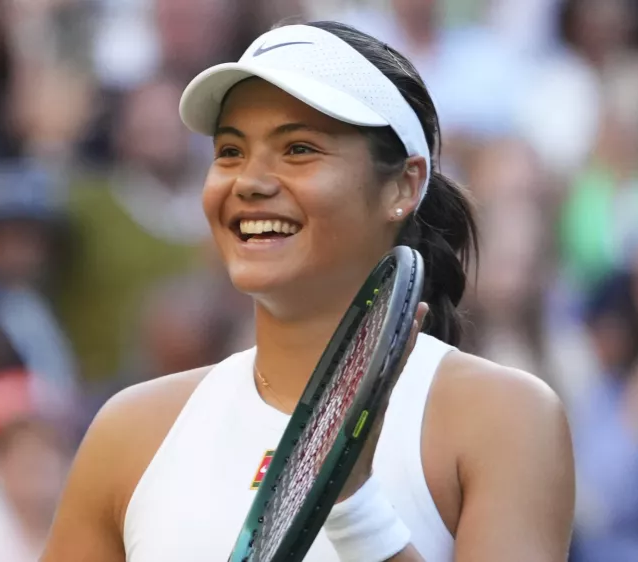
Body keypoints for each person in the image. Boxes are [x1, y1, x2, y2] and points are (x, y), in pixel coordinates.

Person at [41, 20, 575, 561]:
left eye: (298, 148)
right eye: (229, 151)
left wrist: (354, 500)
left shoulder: (504, 417)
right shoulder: (129, 430)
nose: (249, 181)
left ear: (403, 185)